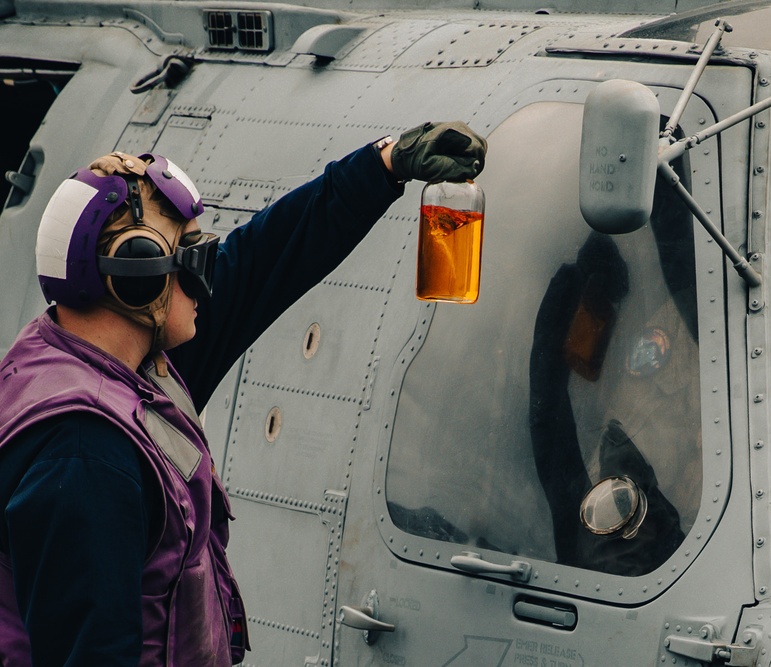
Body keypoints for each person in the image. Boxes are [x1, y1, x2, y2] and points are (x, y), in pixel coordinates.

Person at [0, 121, 487, 666]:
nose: (211, 278)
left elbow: (264, 260)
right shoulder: (86, 452)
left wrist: (386, 163)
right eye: (191, 258)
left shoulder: (126, 363)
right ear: (136, 279)